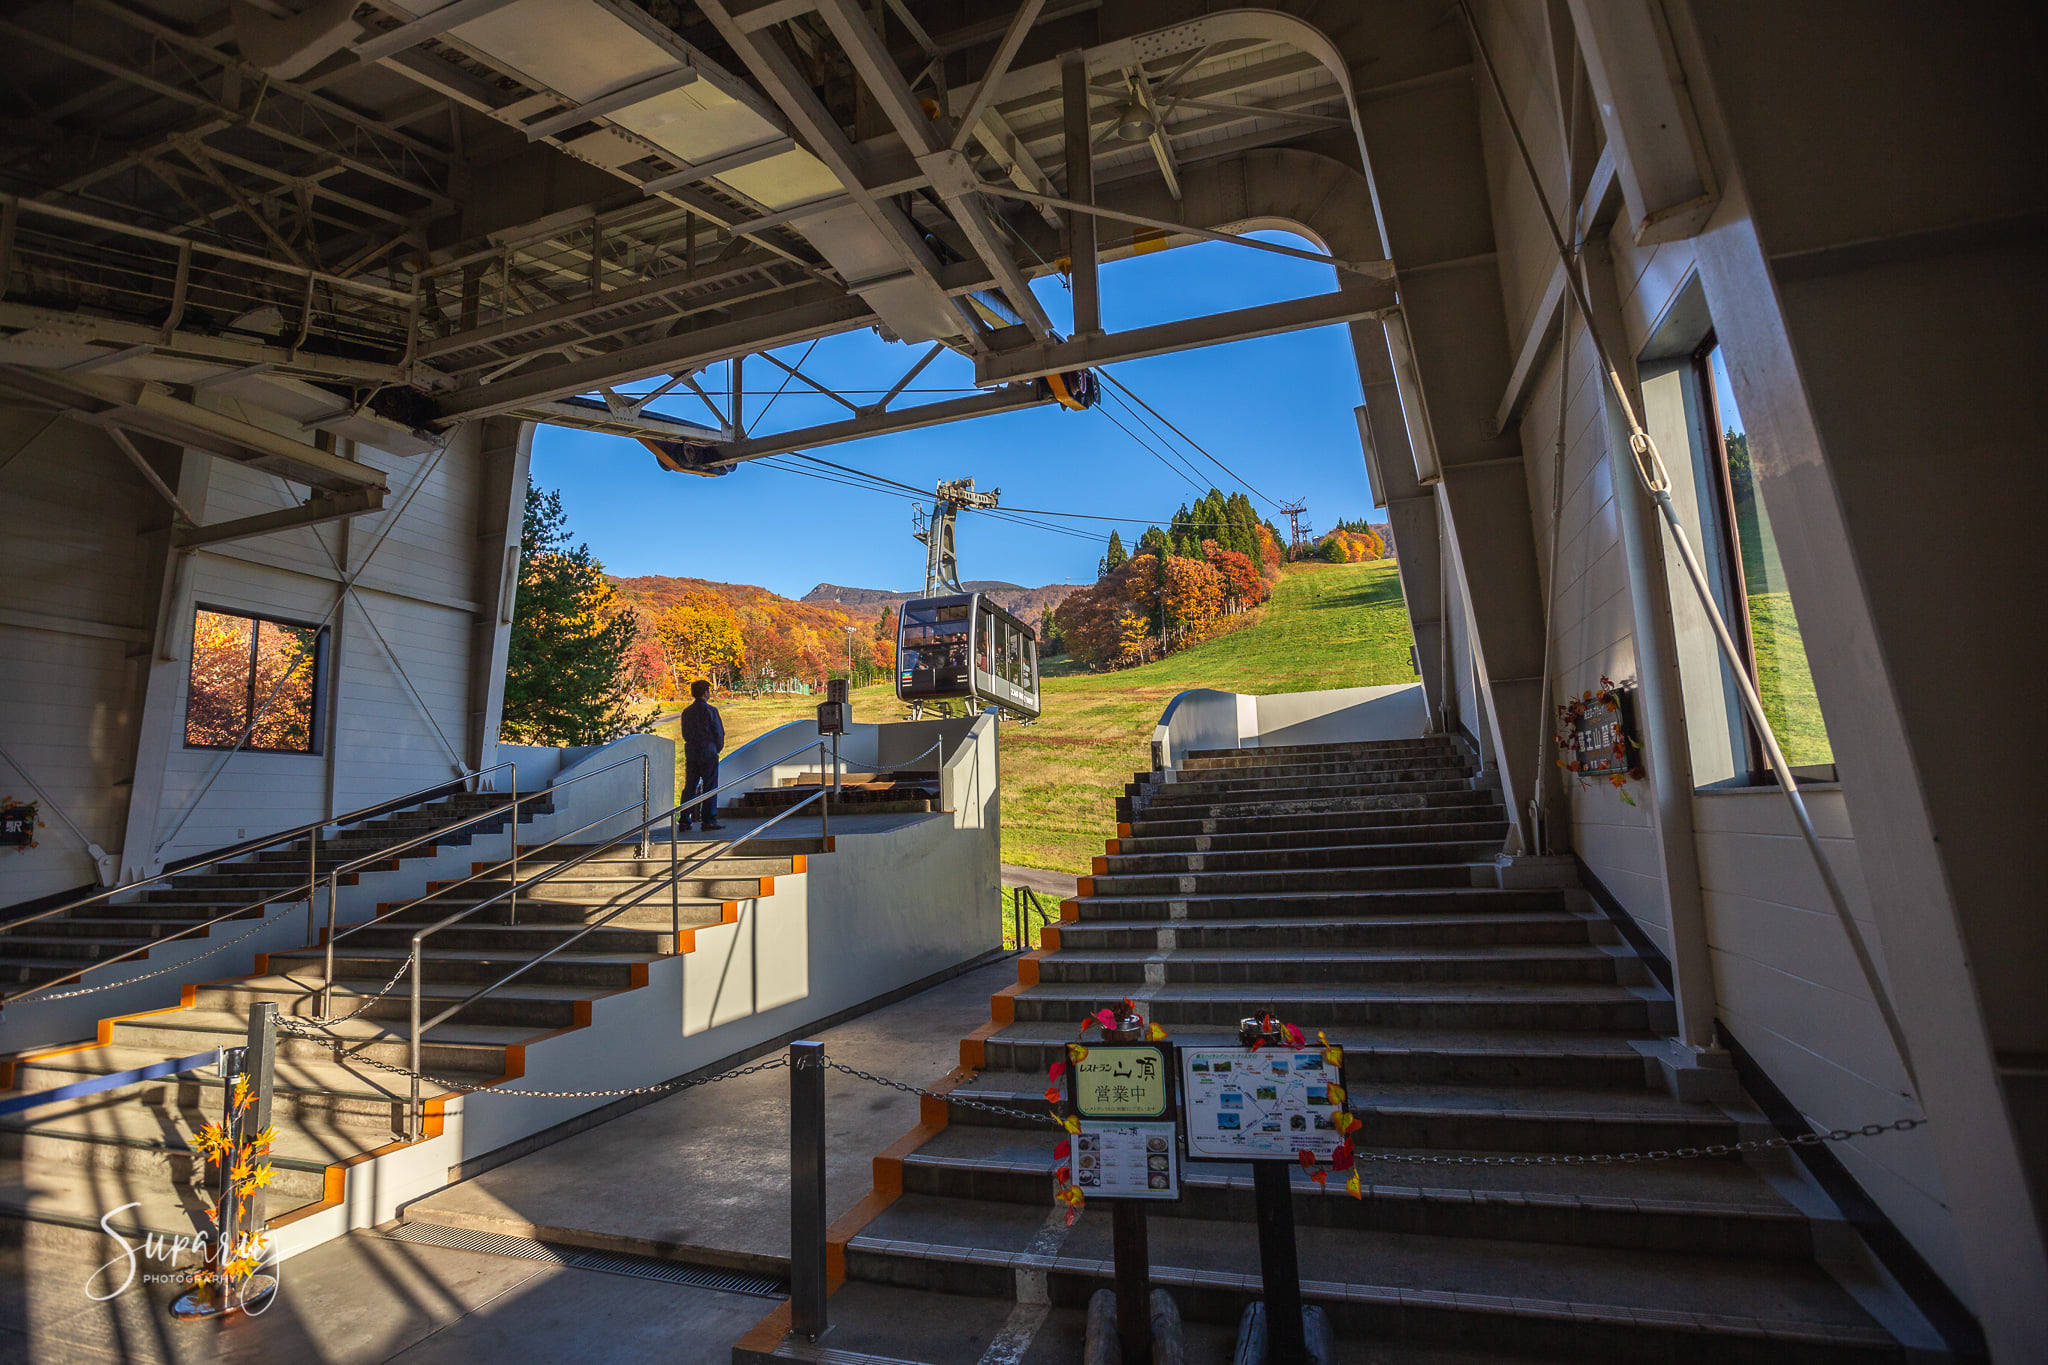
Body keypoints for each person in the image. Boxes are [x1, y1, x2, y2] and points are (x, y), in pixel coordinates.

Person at [678, 679, 726, 832]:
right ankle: (708, 819)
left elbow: (685, 733)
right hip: (708, 750)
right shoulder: (711, 711)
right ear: (705, 692)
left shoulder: (687, 712)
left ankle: (685, 819)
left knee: (690, 786)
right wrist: (716, 749)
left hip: (692, 751)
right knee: (710, 786)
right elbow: (718, 732)